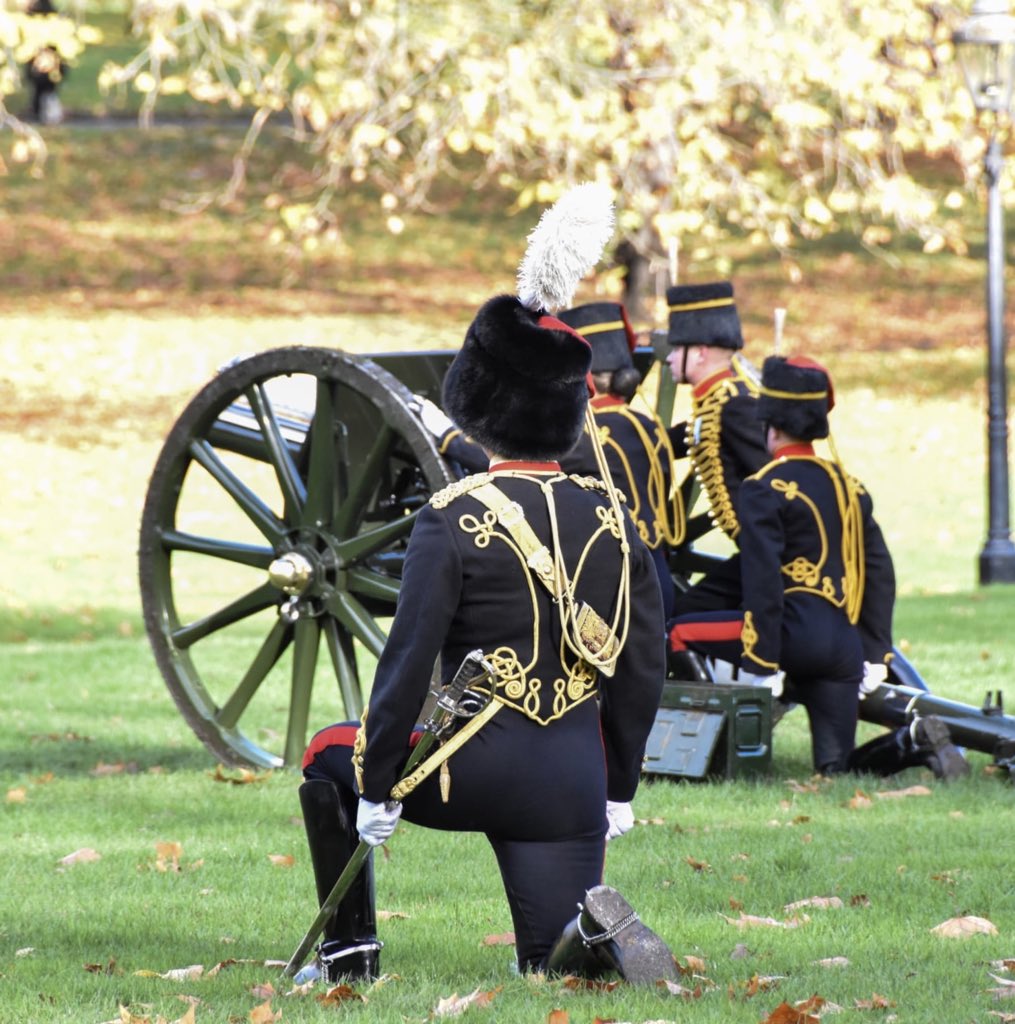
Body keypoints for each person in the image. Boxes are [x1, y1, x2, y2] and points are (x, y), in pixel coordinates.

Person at [297, 185, 676, 986]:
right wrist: (620, 784)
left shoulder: (450, 513)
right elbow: (643, 664)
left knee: (322, 754)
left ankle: (349, 956)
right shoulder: (612, 515)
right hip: (573, 779)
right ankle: (596, 941)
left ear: (479, 407)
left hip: (464, 768)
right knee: (550, 967)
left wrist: (374, 785)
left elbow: (404, 664)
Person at [666, 355, 969, 780]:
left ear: (771, 427)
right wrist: (876, 650)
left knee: (675, 631)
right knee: (835, 768)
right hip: (842, 650)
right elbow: (879, 570)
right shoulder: (851, 486)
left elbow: (763, 577)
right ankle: (911, 741)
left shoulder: (763, 487)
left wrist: (762, 659)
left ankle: (703, 757)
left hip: (788, 639)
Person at [664, 281, 769, 619]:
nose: (668, 357)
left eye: (676, 349)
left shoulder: (734, 404)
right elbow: (684, 438)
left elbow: (773, 477)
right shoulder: (716, 402)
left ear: (700, 352)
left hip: (772, 556)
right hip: (758, 552)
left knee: (682, 621)